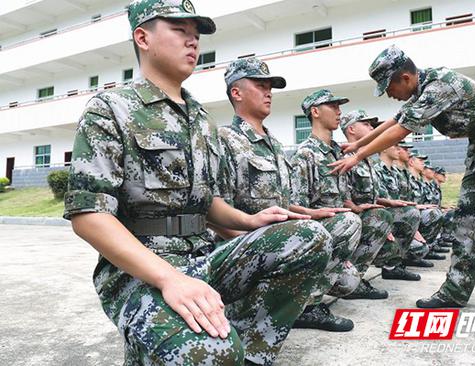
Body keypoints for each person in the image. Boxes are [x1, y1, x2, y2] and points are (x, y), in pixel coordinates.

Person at [63, 1, 334, 365]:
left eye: (196, 36)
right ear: (142, 37)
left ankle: (248, 352)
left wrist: (249, 221)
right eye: (179, 32)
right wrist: (168, 279)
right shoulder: (112, 109)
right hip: (142, 268)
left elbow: (206, 203)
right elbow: (88, 216)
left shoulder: (201, 120)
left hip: (205, 256)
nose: (193, 43)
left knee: (309, 237)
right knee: (210, 353)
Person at [328, 44, 475, 327]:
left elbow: (401, 130)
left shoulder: (439, 86)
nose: (389, 94)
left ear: (405, 77)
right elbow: (396, 119)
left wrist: (358, 155)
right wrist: (358, 143)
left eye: (389, 87)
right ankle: (455, 291)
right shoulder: (422, 89)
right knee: (466, 220)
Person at [217, 57, 361, 332]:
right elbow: (215, 211)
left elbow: (283, 201)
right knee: (316, 238)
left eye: (270, 86)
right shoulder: (225, 139)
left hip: (282, 234)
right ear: (236, 92)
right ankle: (252, 303)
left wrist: (310, 213)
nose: (268, 92)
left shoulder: (274, 144)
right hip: (245, 243)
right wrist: (251, 245)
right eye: (260, 86)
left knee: (347, 230)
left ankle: (304, 303)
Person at [291, 89, 404, 304]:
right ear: (315, 111)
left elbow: (346, 194)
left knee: (380, 218)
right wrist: (319, 214)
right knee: (350, 222)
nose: (339, 111)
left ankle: (353, 274)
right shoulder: (305, 154)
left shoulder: (340, 152)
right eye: (332, 107)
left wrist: (356, 206)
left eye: (339, 107)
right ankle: (308, 303)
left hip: (344, 223)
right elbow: (295, 205)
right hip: (319, 228)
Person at [340, 109, 426, 277]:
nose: (371, 128)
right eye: (365, 124)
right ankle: (353, 278)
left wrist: (387, 202)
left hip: (372, 214)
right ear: (351, 129)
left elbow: (371, 195)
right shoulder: (344, 157)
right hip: (357, 218)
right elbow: (341, 197)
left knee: (410, 213)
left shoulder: (365, 158)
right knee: (381, 217)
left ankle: (392, 267)